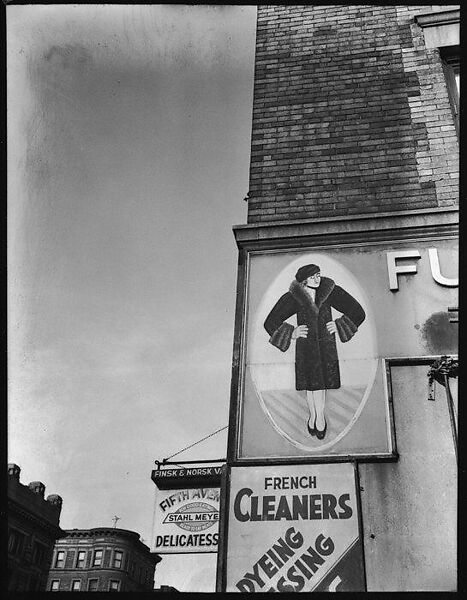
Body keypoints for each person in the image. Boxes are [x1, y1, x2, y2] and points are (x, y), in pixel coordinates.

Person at [264, 264, 365, 440]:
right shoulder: (294, 296)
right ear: (304, 280)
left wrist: (340, 324)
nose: (318, 279)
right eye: (313, 277)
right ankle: (314, 416)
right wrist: (292, 333)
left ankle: (319, 418)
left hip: (326, 345)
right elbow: (270, 322)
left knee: (320, 384)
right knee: (311, 385)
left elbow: (357, 311)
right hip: (306, 347)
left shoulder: (330, 291)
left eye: (319, 275)